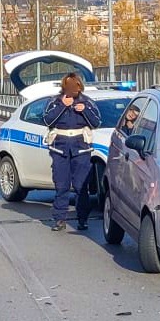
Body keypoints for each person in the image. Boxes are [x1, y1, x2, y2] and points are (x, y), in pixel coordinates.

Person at [43, 73, 101, 231]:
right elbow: (47, 120)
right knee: (61, 185)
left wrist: (84, 111)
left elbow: (96, 122)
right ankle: (60, 219)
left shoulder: (87, 102)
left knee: (81, 186)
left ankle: (82, 219)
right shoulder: (54, 102)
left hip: (81, 148)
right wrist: (62, 105)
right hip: (60, 147)